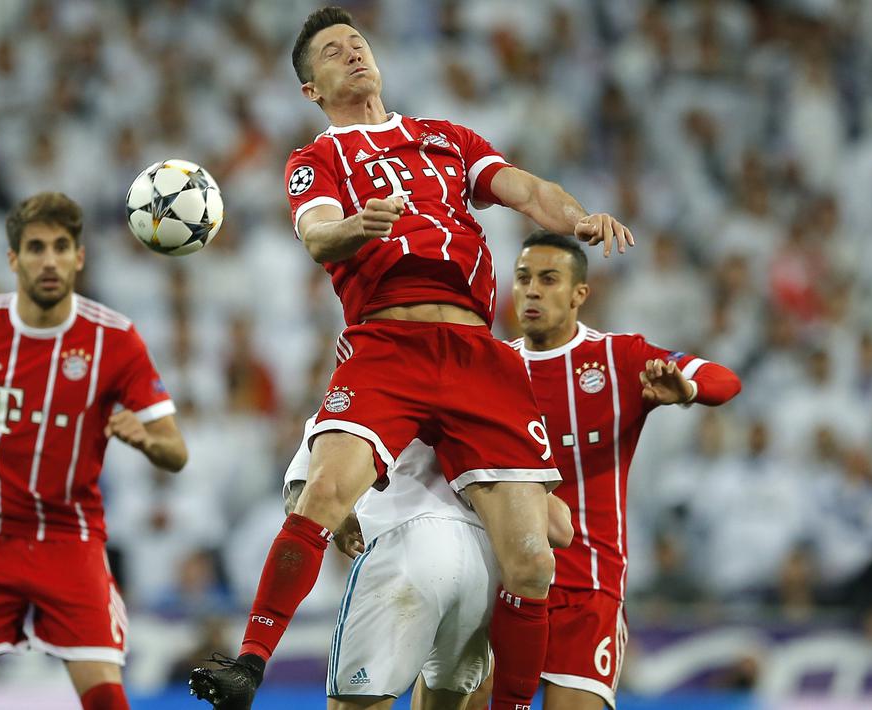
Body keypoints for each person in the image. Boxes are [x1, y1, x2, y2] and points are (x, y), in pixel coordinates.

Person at [190, 8, 634, 710]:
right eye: (333, 53)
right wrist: (355, 226)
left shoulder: (444, 138)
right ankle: (248, 662)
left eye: (356, 44)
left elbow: (524, 189)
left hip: (474, 353)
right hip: (388, 341)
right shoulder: (315, 160)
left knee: (532, 559)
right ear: (312, 89)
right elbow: (315, 236)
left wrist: (573, 217)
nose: (352, 55)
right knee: (324, 494)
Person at [0, 192, 188, 710]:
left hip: (68, 536)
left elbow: (176, 451)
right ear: (13, 259)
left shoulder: (116, 340)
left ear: (79, 256)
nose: (48, 260)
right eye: (35, 248)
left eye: (60, 246)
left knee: (106, 696)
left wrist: (148, 439)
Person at [508, 231, 741, 710]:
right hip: (504, 583)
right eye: (524, 278)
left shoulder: (619, 359)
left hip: (588, 589)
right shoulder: (495, 368)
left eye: (549, 279)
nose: (532, 290)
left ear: (579, 294)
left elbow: (724, 380)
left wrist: (689, 390)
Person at [282, 416, 574, 710]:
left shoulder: (371, 376)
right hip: (481, 564)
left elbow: (305, 488)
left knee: (355, 702)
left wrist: (337, 518)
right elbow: (560, 529)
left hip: (403, 544)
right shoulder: (500, 400)